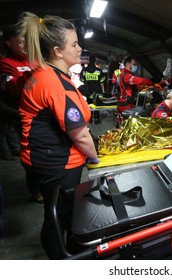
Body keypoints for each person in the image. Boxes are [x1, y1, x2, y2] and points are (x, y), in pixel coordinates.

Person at [17, 11, 98, 259]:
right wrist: (95, 159)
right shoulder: (54, 84)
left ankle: (69, 249)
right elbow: (80, 135)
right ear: (57, 51)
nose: (79, 47)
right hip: (56, 162)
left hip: (43, 158)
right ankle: (61, 260)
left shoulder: (46, 75)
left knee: (58, 211)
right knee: (58, 215)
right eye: (74, 44)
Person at [0, 25, 31, 161]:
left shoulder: (30, 60)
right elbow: (16, 88)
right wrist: (34, 74)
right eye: (20, 42)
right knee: (4, 129)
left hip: (28, 108)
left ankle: (14, 149)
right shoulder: (5, 63)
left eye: (26, 41)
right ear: (8, 43)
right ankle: (6, 151)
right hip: (13, 107)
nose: (24, 45)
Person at [80, 56, 106, 123]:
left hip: (88, 91)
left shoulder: (84, 70)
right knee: (97, 106)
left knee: (89, 105)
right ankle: (97, 119)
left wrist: (88, 81)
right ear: (95, 61)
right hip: (97, 91)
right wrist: (103, 92)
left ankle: (90, 118)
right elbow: (102, 81)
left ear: (89, 61)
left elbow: (82, 79)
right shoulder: (98, 70)